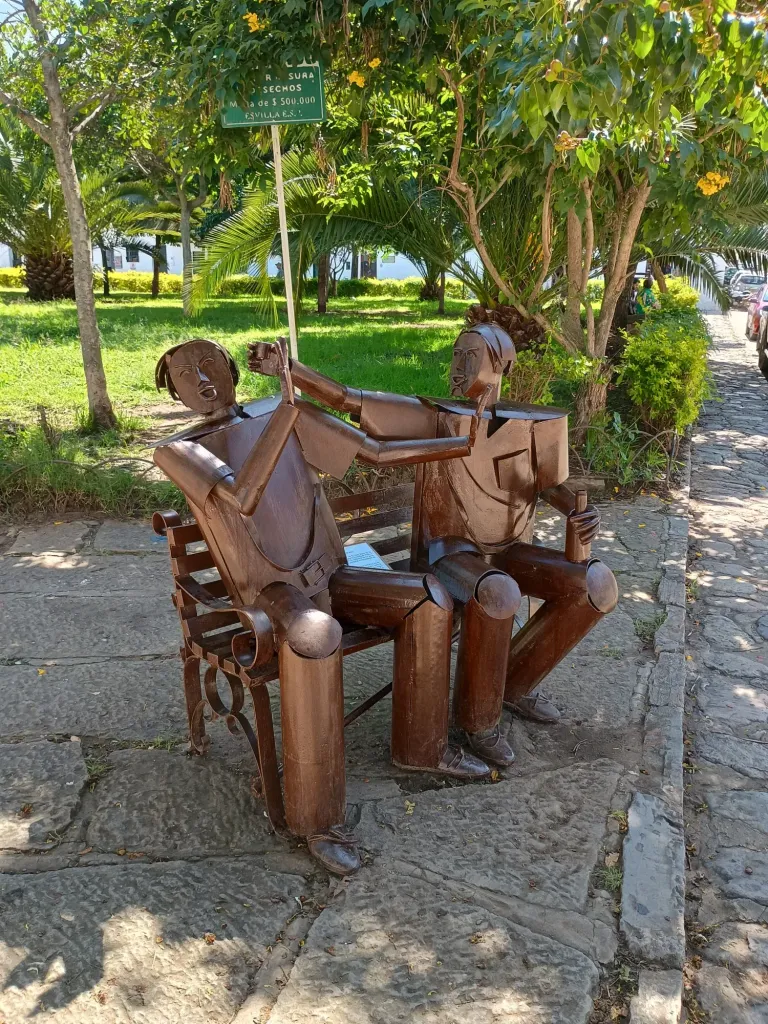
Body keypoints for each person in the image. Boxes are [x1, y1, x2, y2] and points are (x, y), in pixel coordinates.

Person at [152, 339, 491, 876]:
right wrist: (288, 410)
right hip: (270, 594)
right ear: (170, 389)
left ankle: (423, 747)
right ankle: (317, 819)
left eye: (210, 363)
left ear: (236, 369)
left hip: (332, 574)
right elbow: (243, 496)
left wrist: (457, 446)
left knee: (427, 597)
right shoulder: (177, 451)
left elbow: (373, 452)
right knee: (314, 636)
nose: (202, 378)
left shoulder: (281, 409)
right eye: (185, 373)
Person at [248, 327, 618, 769]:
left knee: (595, 584)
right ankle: (478, 723)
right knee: (496, 591)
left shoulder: (537, 423)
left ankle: (512, 685)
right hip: (450, 554)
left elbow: (551, 484)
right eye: (455, 356)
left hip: (511, 548)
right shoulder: (436, 417)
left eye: (471, 356)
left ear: (503, 364)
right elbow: (349, 399)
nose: (458, 367)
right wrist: (290, 371)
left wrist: (577, 512)